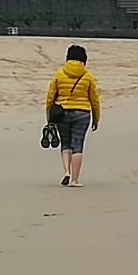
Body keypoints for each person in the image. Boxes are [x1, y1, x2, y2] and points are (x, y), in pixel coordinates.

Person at [45, 44, 101, 187]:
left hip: (62, 113)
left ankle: (67, 172)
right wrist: (96, 118)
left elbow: (50, 96)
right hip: (82, 113)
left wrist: (49, 117)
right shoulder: (87, 76)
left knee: (65, 144)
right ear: (84, 59)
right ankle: (75, 180)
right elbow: (94, 99)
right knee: (77, 145)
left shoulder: (59, 74)